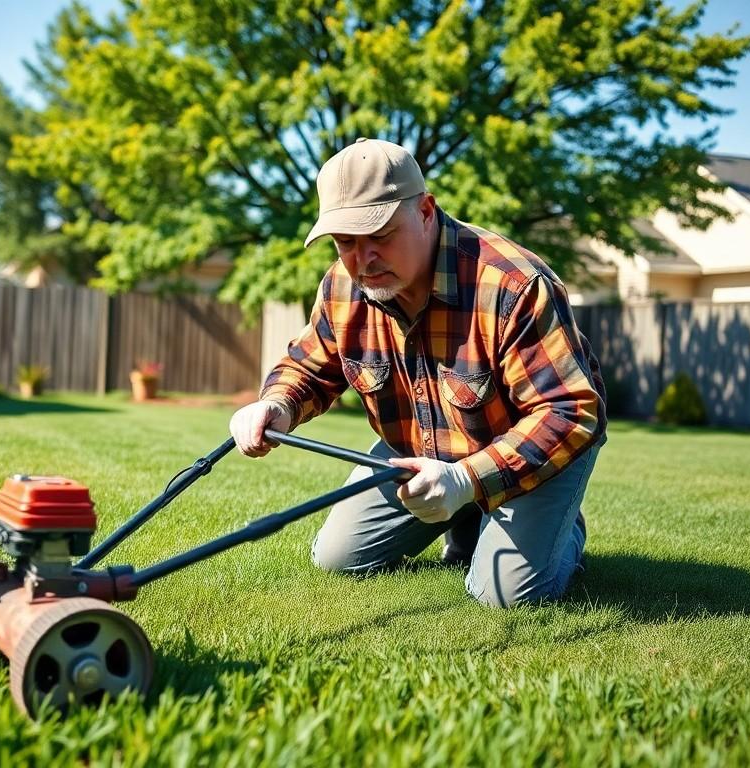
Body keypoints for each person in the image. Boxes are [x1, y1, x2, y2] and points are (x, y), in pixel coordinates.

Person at [229, 138, 607, 608]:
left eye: (380, 235)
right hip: (417, 447)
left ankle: (557, 528)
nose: (363, 259)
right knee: (338, 558)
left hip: (528, 449)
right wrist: (276, 404)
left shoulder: (513, 284)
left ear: (426, 211)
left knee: (504, 595)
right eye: (346, 242)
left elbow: (569, 411)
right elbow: (310, 365)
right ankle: (470, 516)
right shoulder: (343, 284)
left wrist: (467, 479)